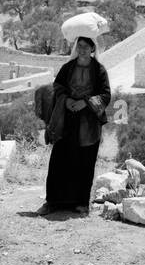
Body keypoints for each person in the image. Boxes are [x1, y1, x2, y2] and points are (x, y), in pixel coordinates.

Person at [42, 36, 111, 214]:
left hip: (89, 123)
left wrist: (85, 103)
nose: (82, 49)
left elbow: (105, 95)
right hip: (66, 121)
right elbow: (57, 86)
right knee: (59, 160)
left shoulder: (99, 70)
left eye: (86, 46)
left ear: (92, 49)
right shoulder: (68, 67)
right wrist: (66, 101)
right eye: (79, 46)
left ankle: (81, 203)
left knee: (85, 162)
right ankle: (53, 202)